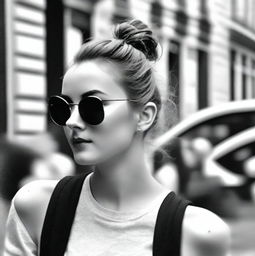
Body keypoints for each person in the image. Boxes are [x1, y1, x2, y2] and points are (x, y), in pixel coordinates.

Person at [3, 19, 230, 256]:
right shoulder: (37, 207)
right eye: (63, 107)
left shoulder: (199, 233)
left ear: (144, 115)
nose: (71, 121)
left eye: (93, 105)